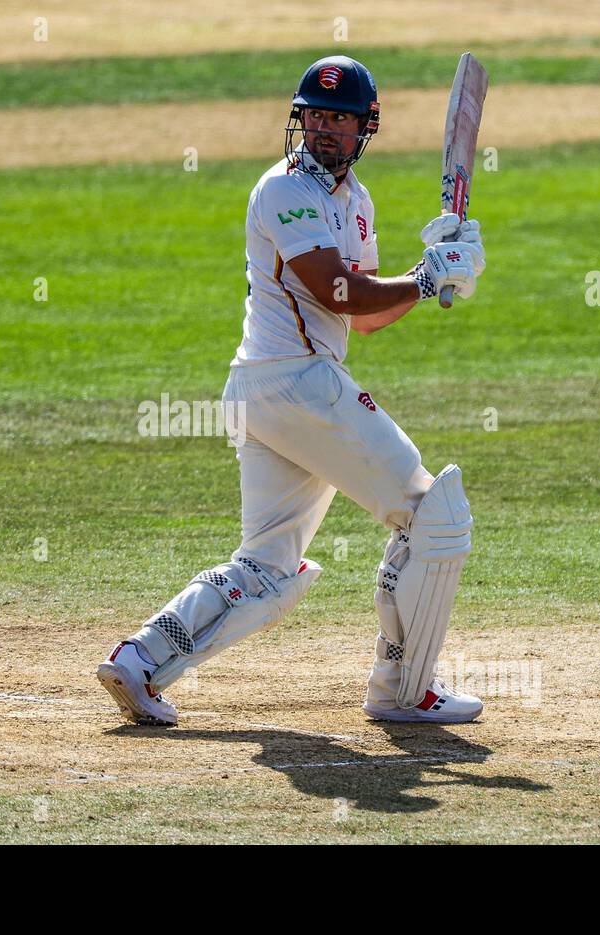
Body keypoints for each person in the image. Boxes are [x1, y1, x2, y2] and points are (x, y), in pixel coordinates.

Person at [97, 55, 486, 726]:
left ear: (365, 127)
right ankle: (403, 688)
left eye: (340, 118)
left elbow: (362, 317)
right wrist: (424, 278)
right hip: (297, 382)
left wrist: (436, 276)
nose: (326, 129)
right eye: (316, 116)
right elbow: (336, 289)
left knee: (269, 566)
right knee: (435, 517)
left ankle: (139, 658)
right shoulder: (284, 190)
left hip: (274, 389)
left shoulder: (356, 203)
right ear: (299, 119)